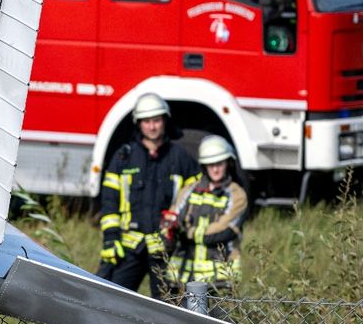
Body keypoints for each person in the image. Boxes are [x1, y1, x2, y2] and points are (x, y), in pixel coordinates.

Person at [97, 93, 194, 301]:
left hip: (165, 249)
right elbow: (109, 202)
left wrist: (181, 228)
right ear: (138, 124)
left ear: (165, 121)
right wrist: (111, 238)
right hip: (128, 247)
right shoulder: (124, 157)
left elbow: (197, 198)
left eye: (156, 120)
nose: (152, 127)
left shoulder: (180, 158)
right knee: (112, 302)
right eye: (147, 121)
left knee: (168, 308)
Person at [165, 137, 249, 293]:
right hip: (184, 278)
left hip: (220, 280)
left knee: (221, 318)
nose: (215, 169)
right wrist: (169, 229)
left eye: (219, 164)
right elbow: (173, 217)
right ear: (204, 166)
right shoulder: (189, 189)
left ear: (228, 163)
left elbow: (223, 231)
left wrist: (188, 232)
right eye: (211, 165)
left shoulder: (237, 194)